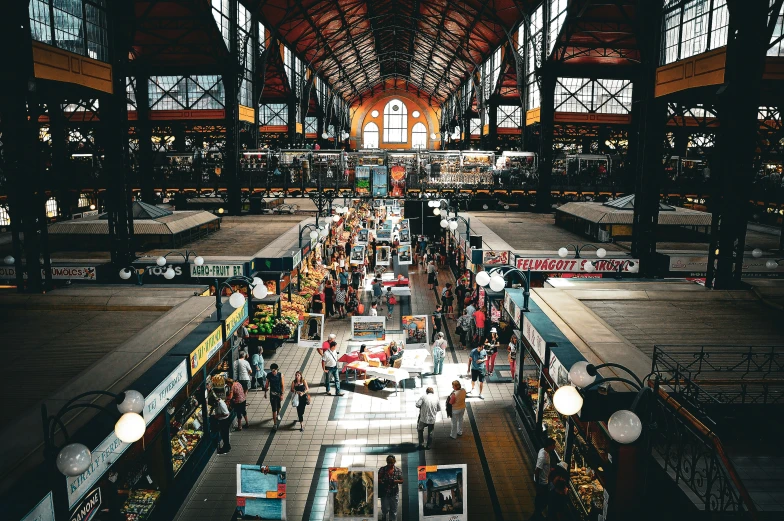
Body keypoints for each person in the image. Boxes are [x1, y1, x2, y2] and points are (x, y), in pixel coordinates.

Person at [530, 438, 556, 521]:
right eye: (553, 445)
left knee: (542, 501)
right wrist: (537, 484)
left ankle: (537, 515)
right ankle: (536, 516)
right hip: (542, 483)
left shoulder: (544, 451)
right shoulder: (542, 456)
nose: (554, 447)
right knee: (543, 501)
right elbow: (537, 470)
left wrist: (549, 470)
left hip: (544, 481)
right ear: (549, 446)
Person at [378, 455, 403, 521]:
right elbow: (377, 478)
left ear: (394, 462)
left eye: (391, 463)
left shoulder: (398, 470)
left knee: (394, 510)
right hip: (384, 493)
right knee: (385, 508)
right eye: (388, 462)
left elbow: (401, 480)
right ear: (386, 462)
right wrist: (382, 481)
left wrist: (395, 481)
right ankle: (384, 515)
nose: (390, 464)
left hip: (394, 493)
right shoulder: (382, 469)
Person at [263, 364, 285, 430]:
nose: (273, 372)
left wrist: (282, 394)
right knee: (274, 409)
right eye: (272, 371)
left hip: (278, 393)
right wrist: (265, 392)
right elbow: (267, 384)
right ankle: (275, 424)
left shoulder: (280, 375)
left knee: (278, 406)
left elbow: (283, 385)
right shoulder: (269, 375)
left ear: (277, 370)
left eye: (274, 371)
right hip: (272, 394)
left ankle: (278, 414)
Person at [210, 389, 231, 454]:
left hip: (224, 421)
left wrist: (218, 416)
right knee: (224, 434)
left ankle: (226, 448)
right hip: (222, 420)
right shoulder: (218, 402)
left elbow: (226, 413)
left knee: (225, 435)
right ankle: (227, 446)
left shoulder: (221, 403)